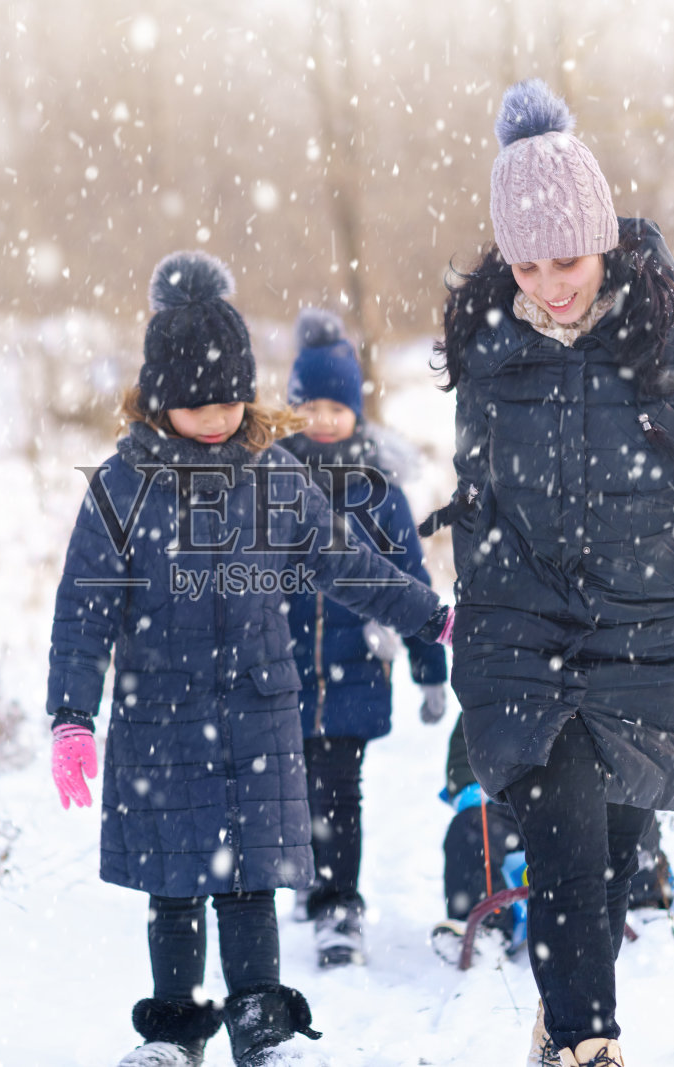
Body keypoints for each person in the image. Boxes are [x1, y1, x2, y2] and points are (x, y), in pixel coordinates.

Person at [427, 80, 674, 1067]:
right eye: (525, 264)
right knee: (563, 836)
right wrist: (467, 625)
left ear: (602, 236)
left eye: (564, 259)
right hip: (524, 636)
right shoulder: (487, 346)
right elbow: (478, 492)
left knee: (607, 864)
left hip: (646, 634)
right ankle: (585, 1042)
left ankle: (563, 1017)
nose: (549, 284)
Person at [47, 251, 452, 1067]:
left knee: (248, 885)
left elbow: (347, 563)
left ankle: (262, 1030)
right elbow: (84, 612)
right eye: (198, 405)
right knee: (174, 887)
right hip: (159, 716)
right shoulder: (123, 488)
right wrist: (69, 715)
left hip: (259, 715)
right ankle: (170, 1033)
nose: (218, 416)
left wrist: (428, 616)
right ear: (161, 401)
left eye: (232, 399)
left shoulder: (272, 477)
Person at [277, 308, 450, 968]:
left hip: (354, 670)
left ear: (356, 411)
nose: (322, 419)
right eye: (309, 407)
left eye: (334, 407)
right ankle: (303, 873)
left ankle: (338, 906)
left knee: (339, 790)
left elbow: (410, 581)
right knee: (290, 786)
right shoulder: (270, 485)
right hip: (282, 672)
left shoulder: (379, 495)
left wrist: (429, 668)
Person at [429, 714, 674, 967]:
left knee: (629, 809)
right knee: (469, 828)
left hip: (586, 799)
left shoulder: (597, 687)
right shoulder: (499, 690)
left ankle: (645, 902)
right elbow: (463, 761)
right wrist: (478, 790)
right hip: (514, 806)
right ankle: (488, 930)